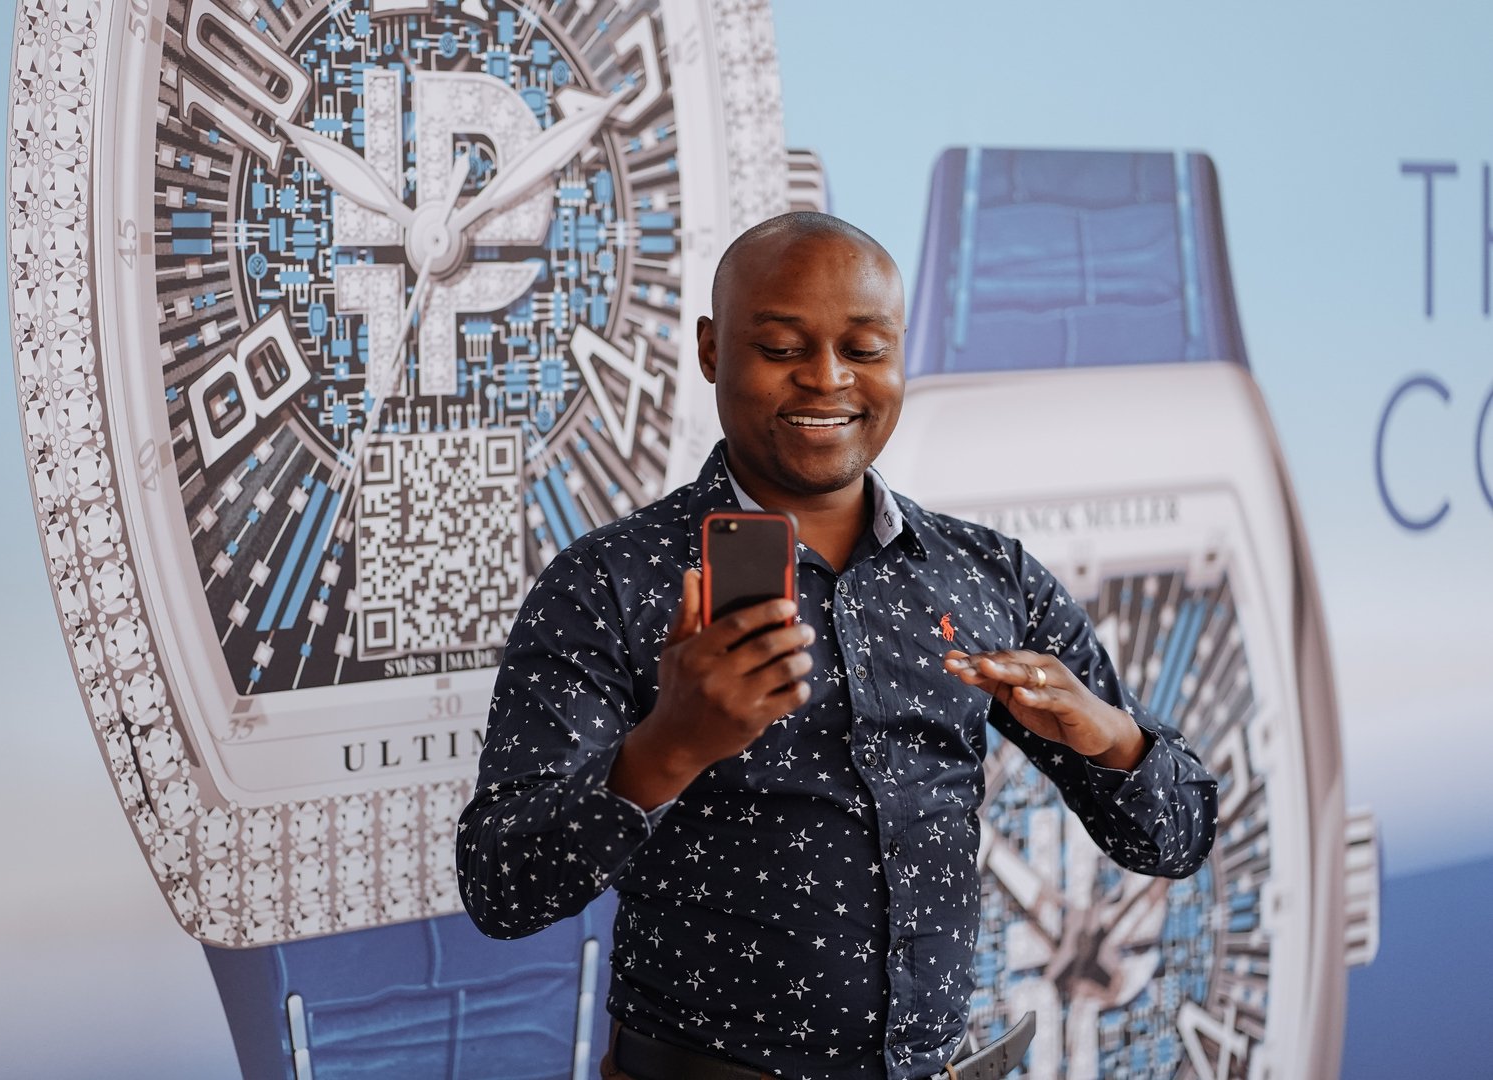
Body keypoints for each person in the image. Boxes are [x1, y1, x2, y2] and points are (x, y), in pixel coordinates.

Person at [456, 212, 1217, 1079]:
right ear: (710, 350)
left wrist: (1110, 739)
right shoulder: (610, 583)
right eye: (782, 348)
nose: (826, 378)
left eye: (863, 349)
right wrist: (669, 748)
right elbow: (501, 888)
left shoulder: (986, 575)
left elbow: (1177, 837)